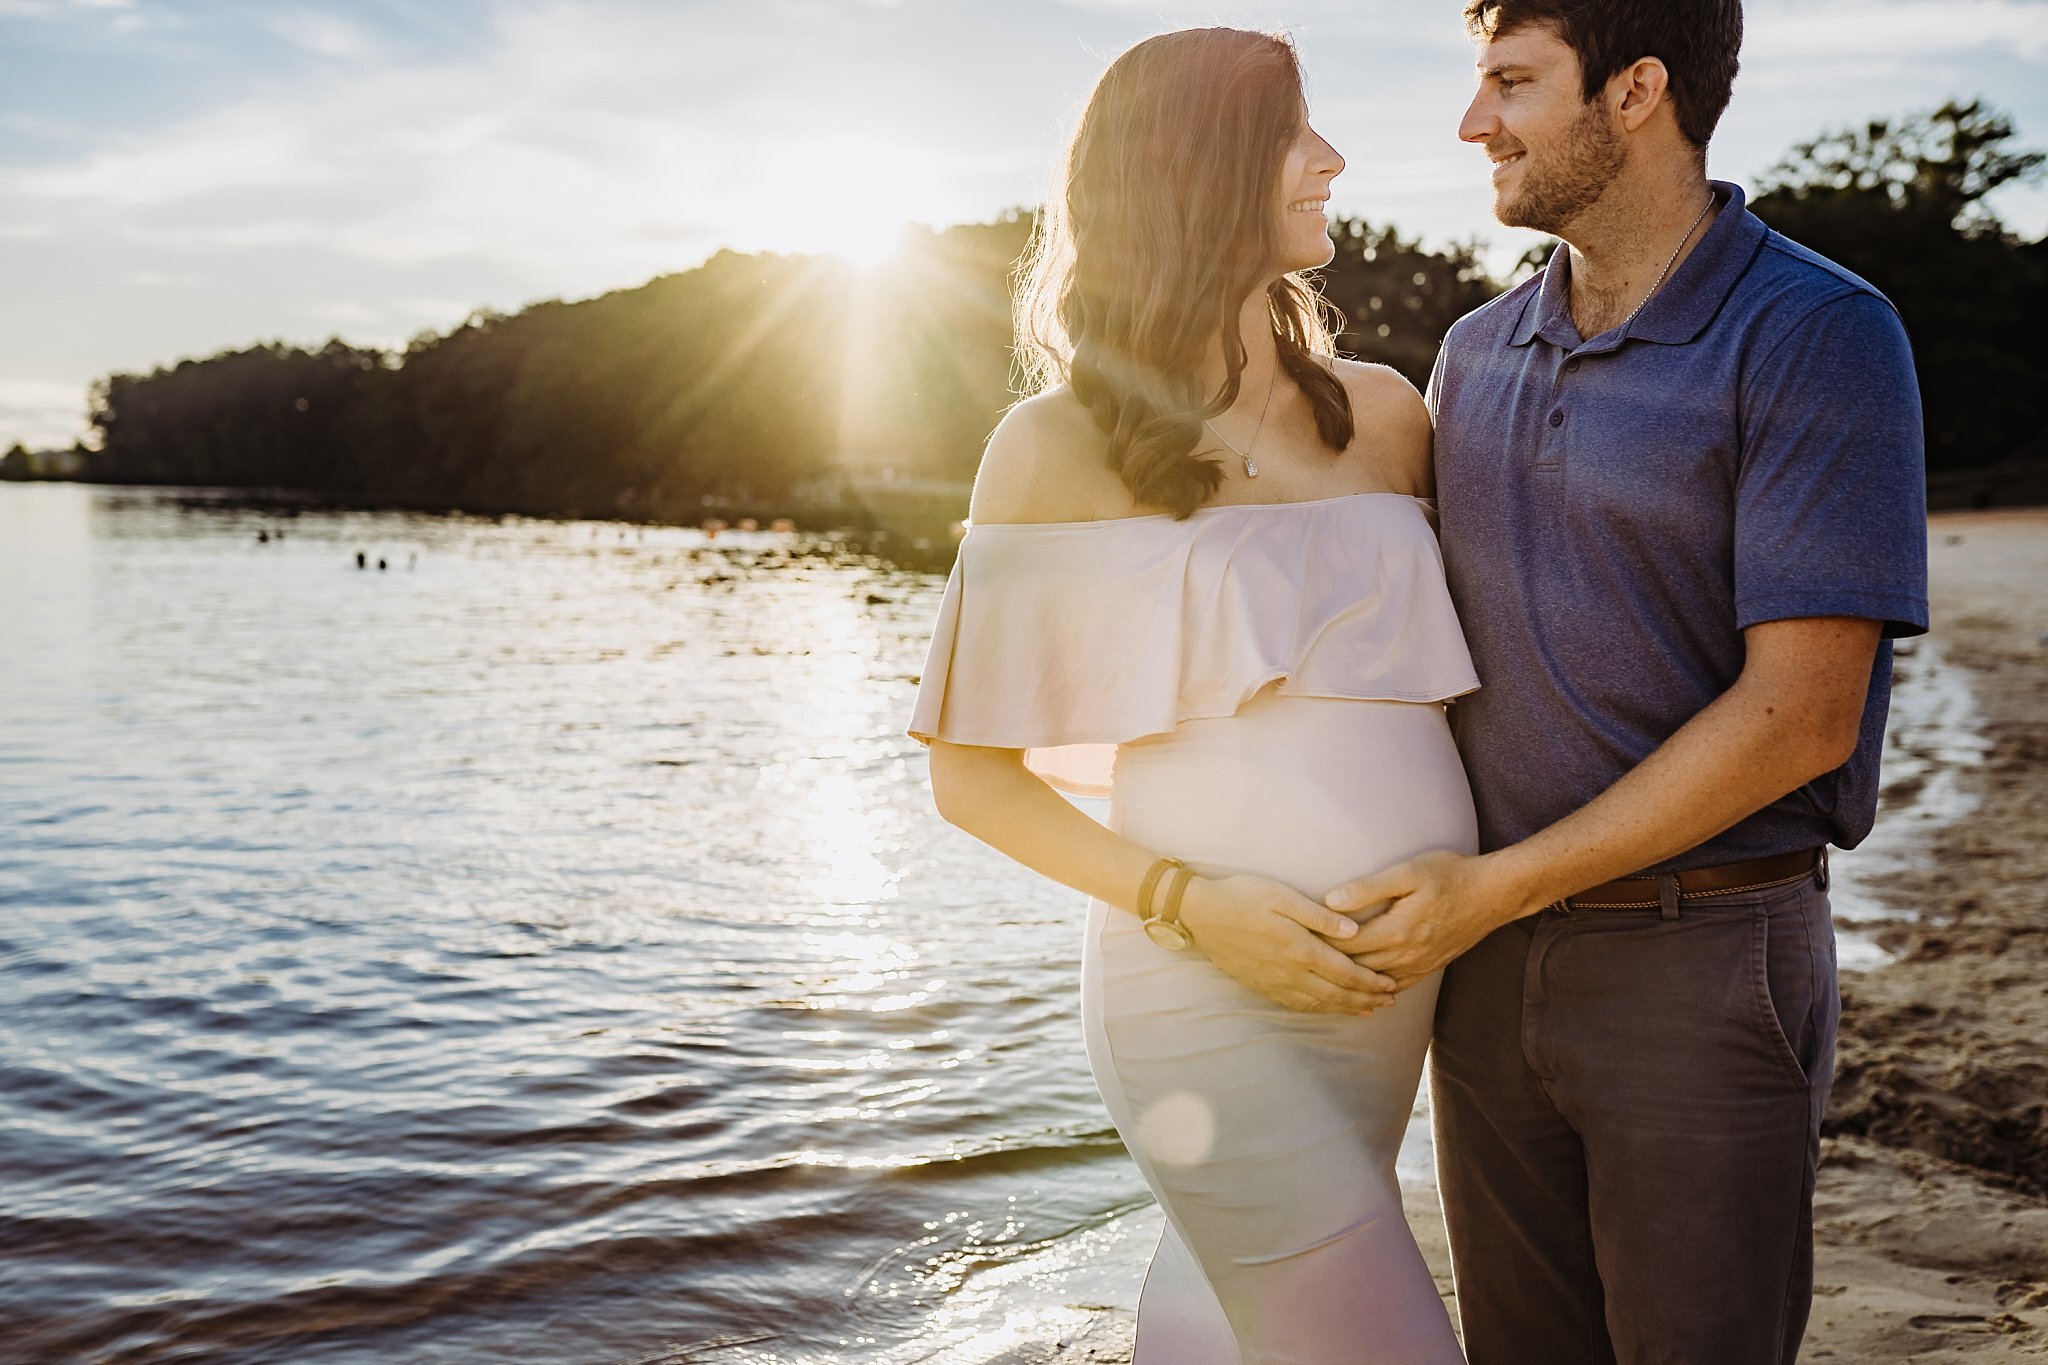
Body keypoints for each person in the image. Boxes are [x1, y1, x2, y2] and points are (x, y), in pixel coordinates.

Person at [1315, 2, 1929, 1362]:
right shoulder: (1471, 354)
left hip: (1702, 965)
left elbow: (1801, 714)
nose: (1475, 123)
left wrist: (1496, 885)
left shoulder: (1820, 331)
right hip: (1479, 974)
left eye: (1513, 83)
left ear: (1637, 89)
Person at [910, 28, 1474, 1364]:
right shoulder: (1052, 447)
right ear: (1194, 172)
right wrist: (1191, 900)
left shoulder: (1391, 414)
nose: (1332, 161)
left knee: (1225, 1322)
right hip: (1197, 984)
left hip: (1394, 987)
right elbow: (970, 777)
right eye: (1295, 134)